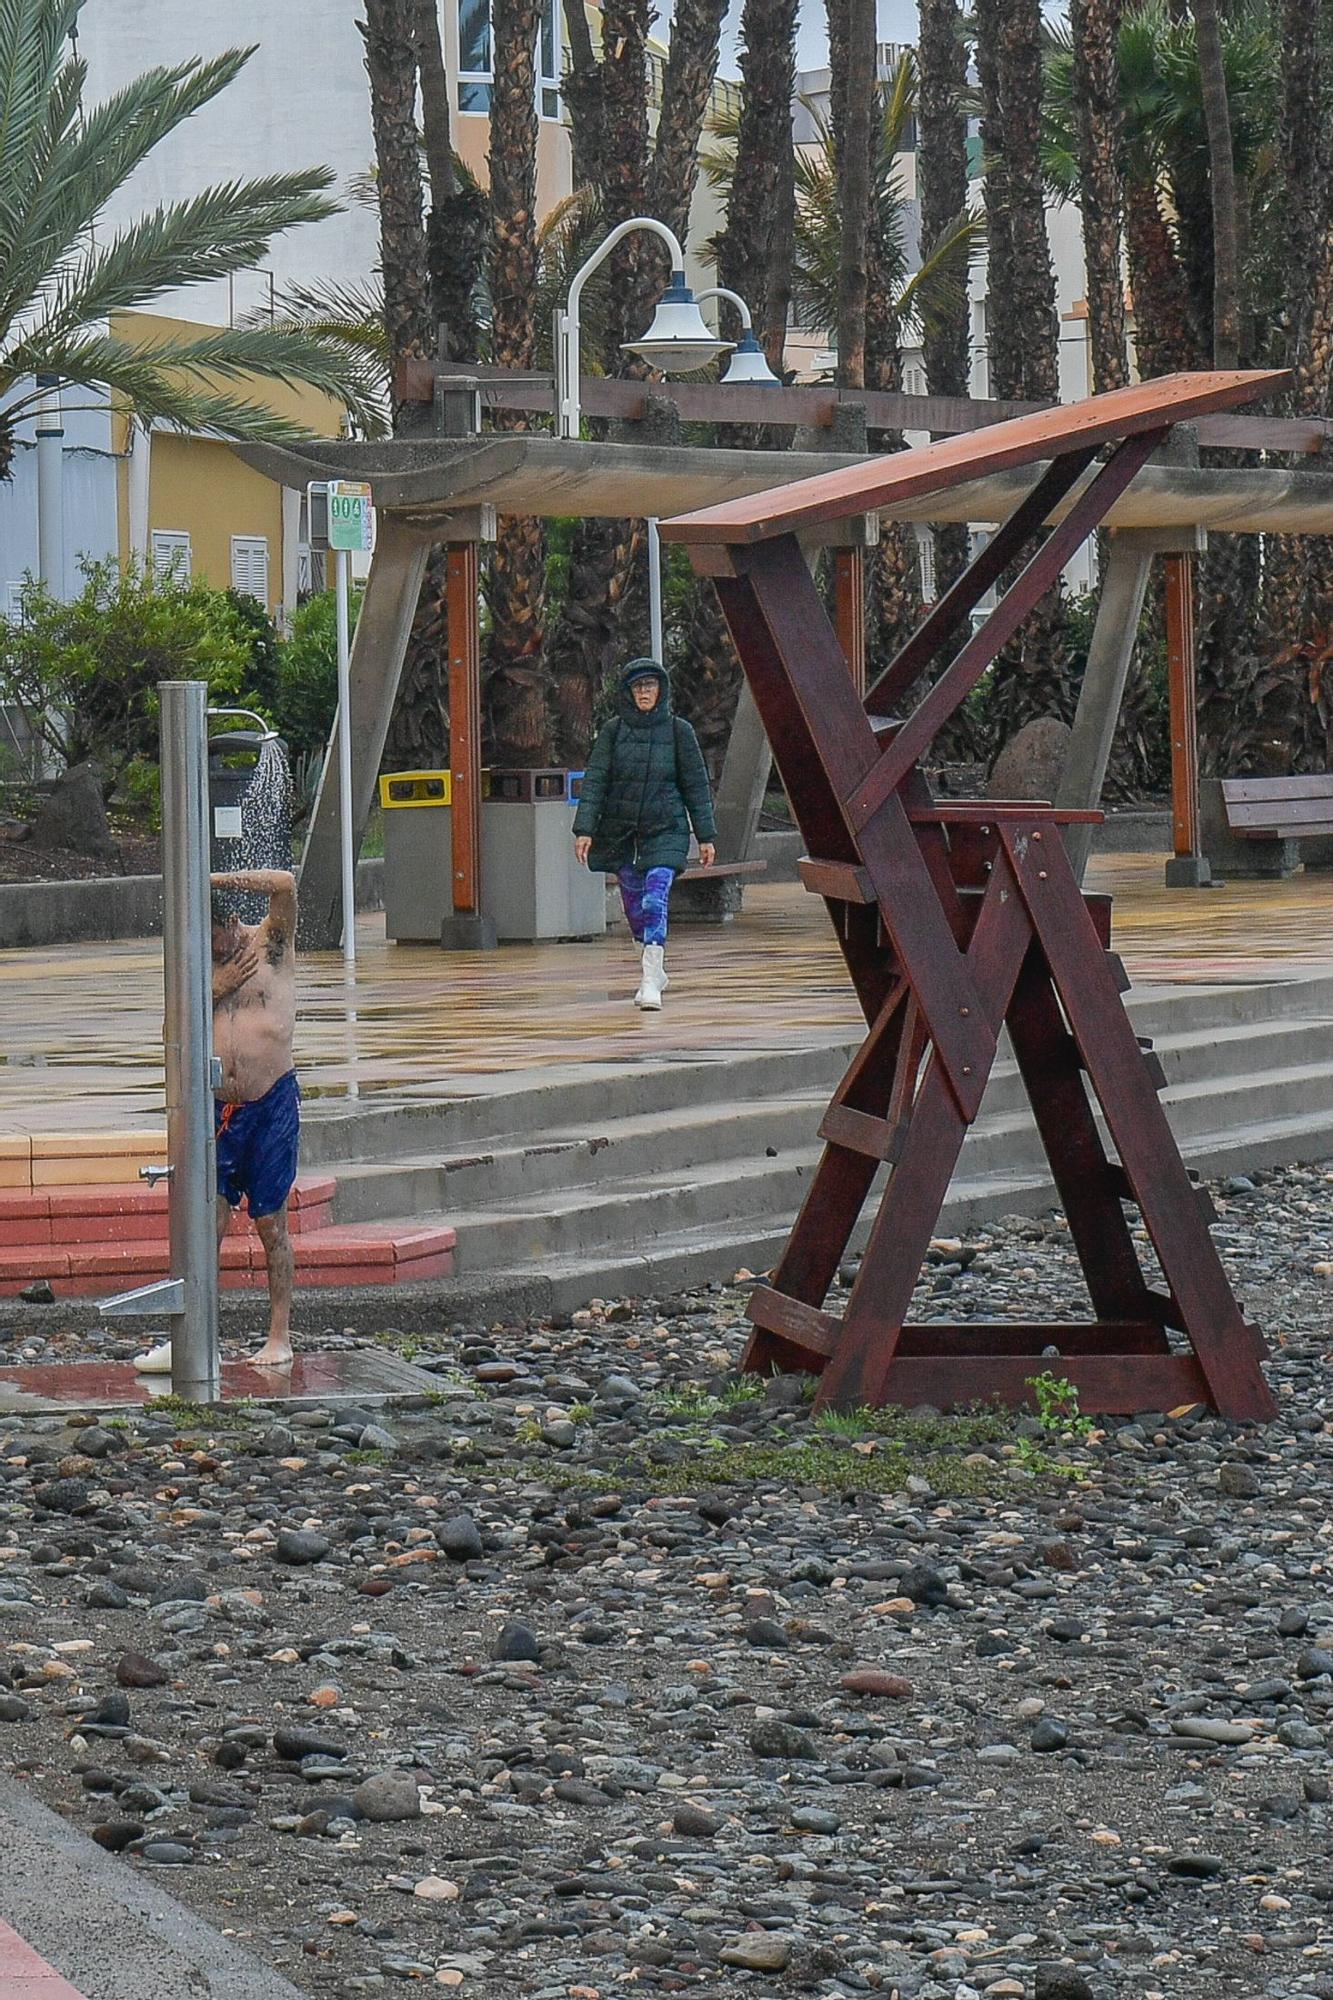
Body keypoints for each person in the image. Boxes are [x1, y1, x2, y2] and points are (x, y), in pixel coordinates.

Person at [136, 867, 300, 1373]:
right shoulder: (199, 970)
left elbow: (285, 884)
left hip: (270, 1102)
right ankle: (195, 1333)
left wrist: (211, 878)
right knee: (207, 1223)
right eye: (203, 944)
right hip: (219, 1109)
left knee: (270, 1223)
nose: (214, 949)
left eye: (217, 939)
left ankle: (279, 1335)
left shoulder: (270, 942)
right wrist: (217, 985)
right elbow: (171, 1033)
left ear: (230, 922)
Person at [572, 658, 716, 1009]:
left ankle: (651, 978)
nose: (645, 692)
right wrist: (585, 829)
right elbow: (596, 782)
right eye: (638, 687)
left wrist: (706, 835)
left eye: (650, 685)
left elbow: (696, 786)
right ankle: (651, 962)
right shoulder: (613, 732)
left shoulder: (680, 732)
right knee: (635, 909)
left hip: (666, 831)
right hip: (622, 834)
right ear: (628, 693)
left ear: (661, 689)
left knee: (655, 898)